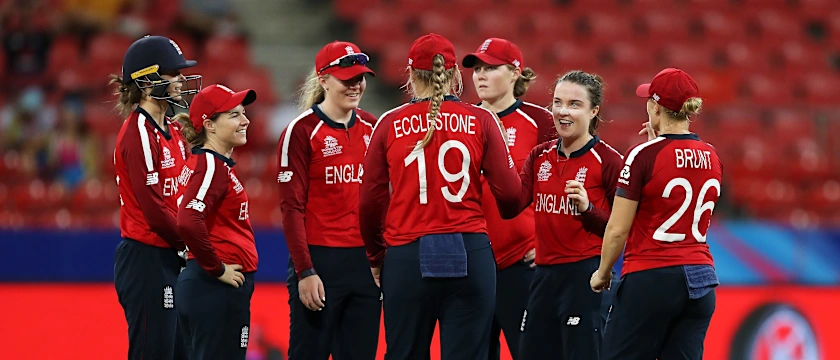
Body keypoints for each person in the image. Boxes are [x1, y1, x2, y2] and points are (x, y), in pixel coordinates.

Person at [359, 33, 522, 360]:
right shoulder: (482, 120)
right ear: (453, 74)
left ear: (410, 74)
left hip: (406, 256)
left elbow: (368, 204)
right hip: (469, 252)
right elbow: (511, 199)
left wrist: (377, 258)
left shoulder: (388, 124)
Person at [591, 68, 721, 360]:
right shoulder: (712, 154)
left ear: (655, 107)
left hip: (652, 276)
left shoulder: (642, 155)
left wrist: (602, 273)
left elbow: (617, 229)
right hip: (701, 280)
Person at [505, 70, 623, 360]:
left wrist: (587, 210)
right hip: (542, 277)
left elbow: (620, 229)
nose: (562, 111)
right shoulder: (539, 156)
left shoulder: (608, 161)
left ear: (594, 111)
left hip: (585, 276)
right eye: (557, 102)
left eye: (574, 104)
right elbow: (512, 205)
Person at [276, 40, 381, 360]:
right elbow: (291, 209)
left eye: (360, 78)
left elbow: (381, 199)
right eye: (347, 79)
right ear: (323, 80)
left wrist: (381, 257)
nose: (356, 85)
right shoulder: (301, 131)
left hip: (365, 266)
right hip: (320, 263)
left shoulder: (372, 127)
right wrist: (306, 272)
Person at [460, 37, 554, 360]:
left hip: (521, 264)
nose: (480, 75)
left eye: (491, 68)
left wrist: (547, 241)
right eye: (477, 69)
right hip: (470, 262)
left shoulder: (540, 121)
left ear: (515, 72)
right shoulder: (459, 120)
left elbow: (561, 183)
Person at [110, 35, 201, 360]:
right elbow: (154, 209)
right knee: (154, 351)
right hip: (148, 258)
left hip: (171, 253)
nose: (180, 81)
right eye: (173, 74)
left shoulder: (173, 132)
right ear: (147, 81)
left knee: (180, 351)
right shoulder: (139, 133)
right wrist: (197, 245)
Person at [175, 83, 259, 360]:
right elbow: (188, 219)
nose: (245, 120)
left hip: (207, 287)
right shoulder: (211, 165)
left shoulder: (207, 164)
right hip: (214, 288)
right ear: (209, 125)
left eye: (243, 112)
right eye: (234, 115)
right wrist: (217, 268)